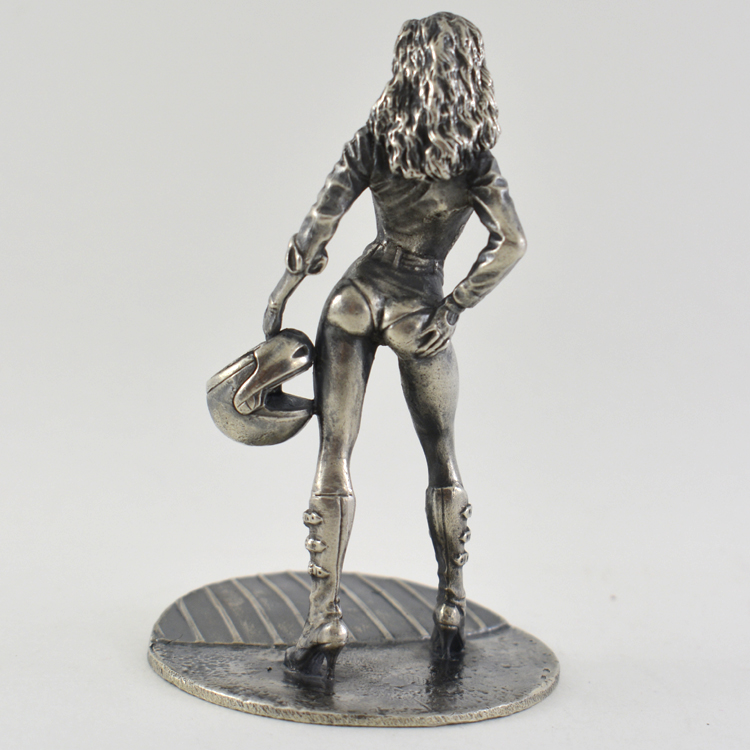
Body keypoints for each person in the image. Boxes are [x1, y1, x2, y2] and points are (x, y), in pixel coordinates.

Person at [262, 12, 527, 680]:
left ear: (404, 69)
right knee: (441, 457)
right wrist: (456, 305)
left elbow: (315, 230)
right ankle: (451, 609)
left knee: (334, 454)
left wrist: (280, 298)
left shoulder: (376, 138)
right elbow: (512, 242)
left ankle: (323, 623)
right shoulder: (476, 162)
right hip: (420, 309)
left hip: (355, 297)